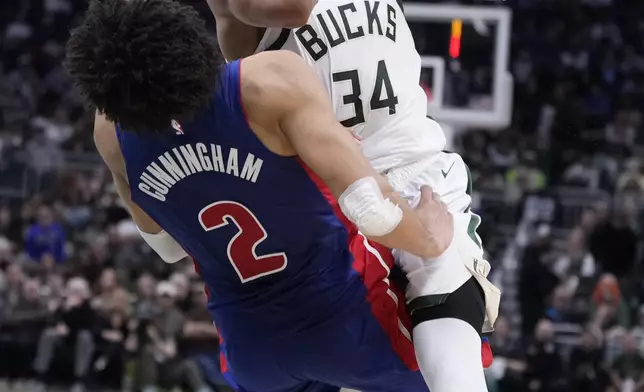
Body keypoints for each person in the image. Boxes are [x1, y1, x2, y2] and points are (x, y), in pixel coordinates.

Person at [64, 0, 454, 390]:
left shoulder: (111, 136)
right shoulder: (262, 82)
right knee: (453, 338)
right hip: (345, 315)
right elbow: (371, 209)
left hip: (251, 346)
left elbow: (168, 249)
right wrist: (430, 238)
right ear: (185, 35)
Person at [207, 0, 501, 391]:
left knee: (446, 284)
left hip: (416, 162)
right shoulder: (246, 8)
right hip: (333, 183)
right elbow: (285, 9)